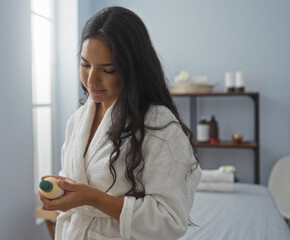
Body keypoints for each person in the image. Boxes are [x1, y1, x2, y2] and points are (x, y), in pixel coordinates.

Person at [39, 6, 201, 240]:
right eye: (85, 65)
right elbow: (79, 175)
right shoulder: (79, 119)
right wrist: (62, 188)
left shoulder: (159, 126)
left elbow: (170, 221)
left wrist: (91, 198)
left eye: (108, 69)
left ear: (132, 69)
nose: (91, 79)